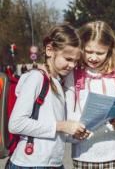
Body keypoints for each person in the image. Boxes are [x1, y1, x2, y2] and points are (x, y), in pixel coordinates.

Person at [7, 23, 91, 169]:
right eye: (68, 59)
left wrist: (73, 134)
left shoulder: (57, 82)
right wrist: (61, 126)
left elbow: (53, 131)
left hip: (52, 164)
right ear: (49, 50)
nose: (72, 65)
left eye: (76, 61)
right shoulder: (36, 78)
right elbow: (16, 124)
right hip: (30, 164)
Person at [64, 21, 115, 169]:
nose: (93, 57)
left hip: (114, 151)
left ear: (110, 49)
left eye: (100, 53)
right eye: (89, 51)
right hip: (84, 153)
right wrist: (75, 128)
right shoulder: (73, 75)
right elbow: (68, 110)